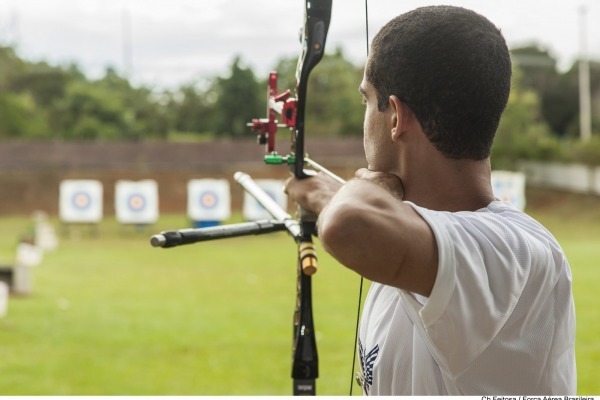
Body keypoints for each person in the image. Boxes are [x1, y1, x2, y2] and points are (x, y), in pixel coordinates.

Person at [284, 5, 576, 396]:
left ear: (395, 118)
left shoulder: (518, 254)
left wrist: (326, 194)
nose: (364, 117)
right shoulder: (410, 247)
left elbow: (347, 223)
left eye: (367, 101)